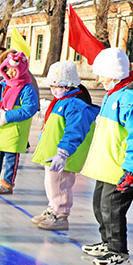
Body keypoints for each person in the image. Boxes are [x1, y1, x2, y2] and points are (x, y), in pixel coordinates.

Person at [80, 48, 133, 265]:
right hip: (107, 165)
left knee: (113, 209)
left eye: (102, 74)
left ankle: (119, 252)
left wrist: (132, 171)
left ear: (114, 74)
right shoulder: (114, 94)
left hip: (122, 169)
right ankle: (107, 242)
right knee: (100, 205)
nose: (100, 79)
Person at [30, 61, 98, 231]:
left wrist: (63, 152)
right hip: (54, 151)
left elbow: (74, 131)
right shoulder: (62, 101)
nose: (54, 90)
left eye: (58, 86)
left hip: (64, 153)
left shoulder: (75, 104)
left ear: (69, 85)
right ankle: (53, 208)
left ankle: (61, 213)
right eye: (52, 86)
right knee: (51, 183)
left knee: (61, 184)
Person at [0, 51, 39, 195]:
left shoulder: (27, 88)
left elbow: (29, 109)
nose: (10, 73)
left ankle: (7, 183)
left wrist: (6, 116)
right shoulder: (3, 85)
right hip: (0, 128)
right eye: (7, 69)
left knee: (11, 158)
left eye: (14, 70)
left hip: (14, 129)